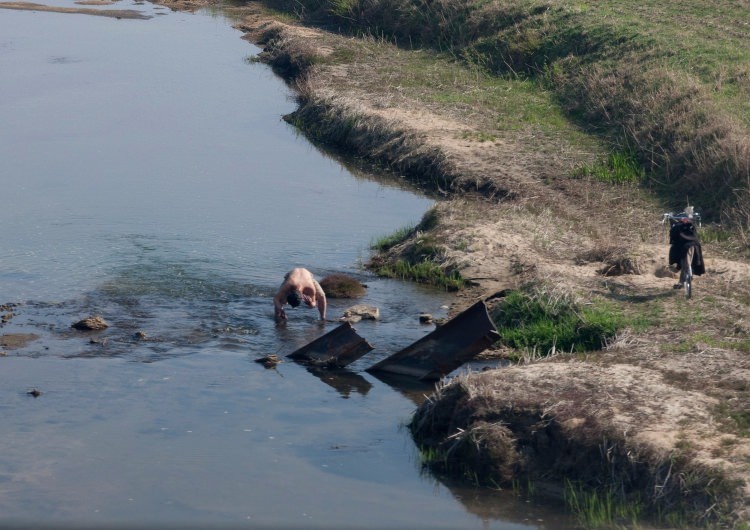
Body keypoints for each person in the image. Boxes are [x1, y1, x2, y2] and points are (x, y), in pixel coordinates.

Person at [668, 217, 705, 289]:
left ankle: (681, 281)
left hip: (682, 247)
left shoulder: (676, 227)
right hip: (693, 245)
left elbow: (672, 240)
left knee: (684, 264)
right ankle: (684, 277)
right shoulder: (691, 226)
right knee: (686, 264)